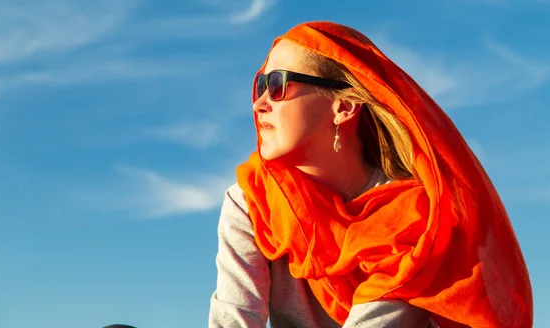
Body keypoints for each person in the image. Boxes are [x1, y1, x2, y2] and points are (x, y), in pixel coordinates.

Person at [209, 21, 533, 328]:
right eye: (261, 85)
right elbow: (234, 317)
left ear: (344, 107)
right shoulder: (252, 201)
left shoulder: (416, 216)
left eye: (278, 84)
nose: (259, 104)